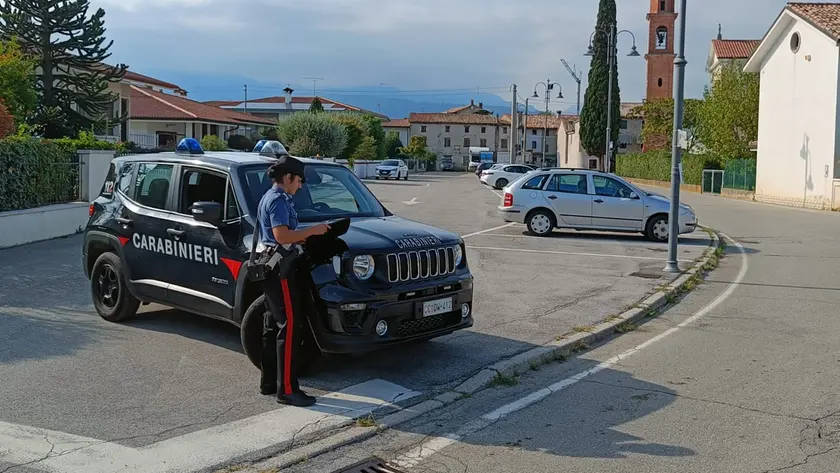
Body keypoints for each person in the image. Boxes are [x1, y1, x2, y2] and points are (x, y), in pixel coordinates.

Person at [256, 156, 329, 407]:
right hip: (281, 269)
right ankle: (287, 390)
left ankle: (268, 382)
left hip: (269, 265)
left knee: (271, 324)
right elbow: (282, 235)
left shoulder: (269, 197)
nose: (300, 186)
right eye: (299, 180)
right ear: (287, 178)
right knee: (289, 326)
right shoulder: (278, 200)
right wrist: (313, 231)